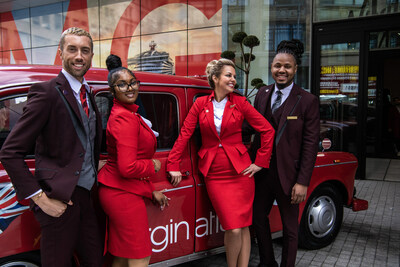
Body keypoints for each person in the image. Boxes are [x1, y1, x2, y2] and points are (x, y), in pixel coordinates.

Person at [0, 27, 103, 266]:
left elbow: (84, 140)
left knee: (94, 261)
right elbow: (10, 152)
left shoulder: (90, 93)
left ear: (91, 56)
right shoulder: (46, 93)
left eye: (85, 51)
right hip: (57, 199)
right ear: (60, 53)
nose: (79, 56)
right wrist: (41, 199)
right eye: (72, 49)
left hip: (87, 197)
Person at [167, 58, 275, 267]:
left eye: (234, 76)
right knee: (232, 227)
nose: (233, 79)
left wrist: (260, 161)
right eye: (228, 75)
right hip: (215, 174)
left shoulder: (240, 102)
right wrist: (172, 164)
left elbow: (267, 130)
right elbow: (185, 135)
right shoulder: (200, 104)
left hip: (241, 173)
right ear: (215, 78)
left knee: (243, 226)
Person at [249, 39, 320, 267]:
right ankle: (267, 262)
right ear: (271, 67)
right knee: (258, 218)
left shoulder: (307, 100)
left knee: (290, 228)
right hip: (263, 173)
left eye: (287, 66)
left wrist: (303, 182)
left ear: (295, 69)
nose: (282, 70)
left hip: (290, 176)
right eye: (277, 65)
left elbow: (310, 144)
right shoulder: (262, 93)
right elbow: (252, 128)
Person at [98, 54, 170, 267]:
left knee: (121, 254)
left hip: (120, 190)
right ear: (112, 92)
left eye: (132, 83)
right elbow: (128, 167)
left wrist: (149, 191)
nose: (129, 88)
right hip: (122, 194)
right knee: (140, 254)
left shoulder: (127, 113)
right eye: (122, 85)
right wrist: (153, 165)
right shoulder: (124, 118)